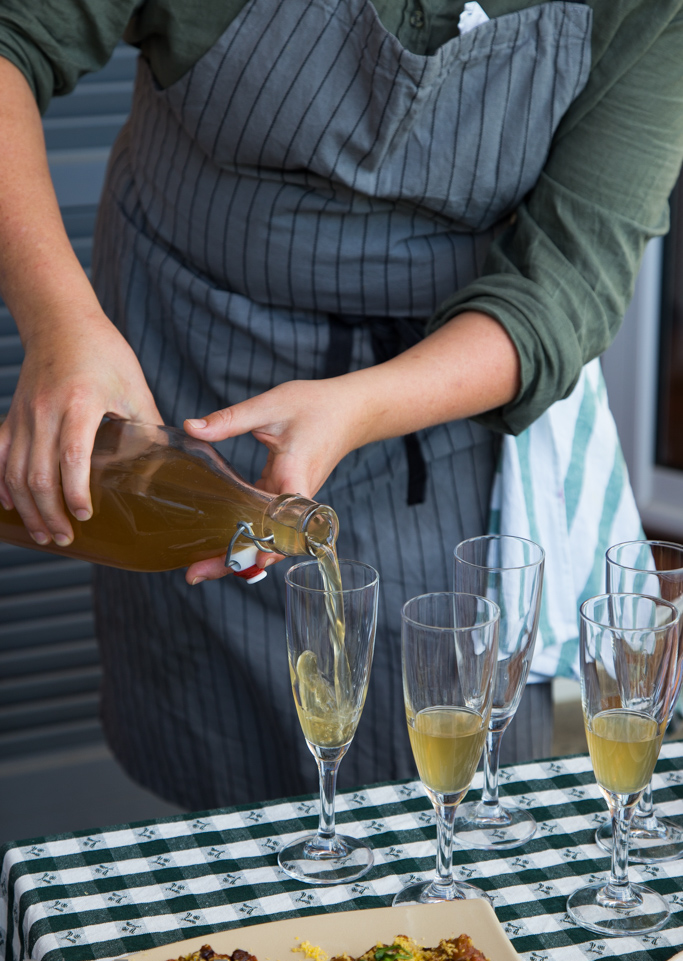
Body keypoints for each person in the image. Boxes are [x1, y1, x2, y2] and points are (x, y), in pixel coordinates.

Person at [0, 0, 681, 810]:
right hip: (181, 368)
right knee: (210, 773)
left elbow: (567, 283)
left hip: (437, 400)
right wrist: (59, 324)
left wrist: (359, 408)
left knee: (440, 779)